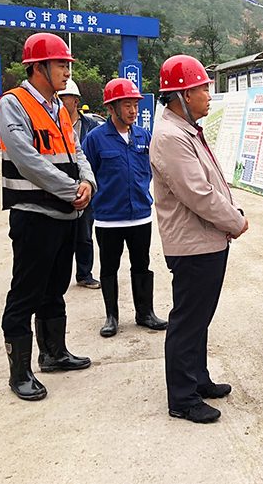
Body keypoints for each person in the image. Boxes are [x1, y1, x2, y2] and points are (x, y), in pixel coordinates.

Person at [0, 33, 94, 401]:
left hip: (65, 216)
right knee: (26, 293)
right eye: (61, 64)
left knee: (55, 289)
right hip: (34, 215)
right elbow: (27, 160)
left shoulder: (58, 108)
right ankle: (19, 372)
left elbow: (77, 151)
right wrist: (71, 190)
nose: (68, 71)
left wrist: (88, 182)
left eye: (68, 65)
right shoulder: (13, 104)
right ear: (38, 67)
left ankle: (53, 353)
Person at [150, 55, 248, 424]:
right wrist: (235, 221)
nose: (209, 95)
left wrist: (229, 216)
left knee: (200, 317)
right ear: (183, 95)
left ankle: (198, 378)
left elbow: (211, 184)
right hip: (193, 244)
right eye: (203, 88)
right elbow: (198, 194)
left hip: (206, 239)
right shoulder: (171, 137)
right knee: (188, 320)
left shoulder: (186, 130)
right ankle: (182, 397)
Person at [83, 78, 167, 337]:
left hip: (140, 216)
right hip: (108, 218)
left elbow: (153, 169)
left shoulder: (143, 136)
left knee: (142, 265)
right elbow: (86, 172)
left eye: (135, 105)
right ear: (111, 108)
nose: (133, 110)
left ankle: (145, 313)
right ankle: (112, 317)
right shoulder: (95, 139)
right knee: (109, 267)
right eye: (127, 105)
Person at [59, 79, 101, 289]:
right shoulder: (52, 124)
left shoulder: (90, 126)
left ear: (75, 101)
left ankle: (84, 274)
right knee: (60, 235)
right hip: (60, 186)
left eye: (62, 98)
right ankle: (58, 276)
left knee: (84, 234)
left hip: (86, 187)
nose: (58, 102)